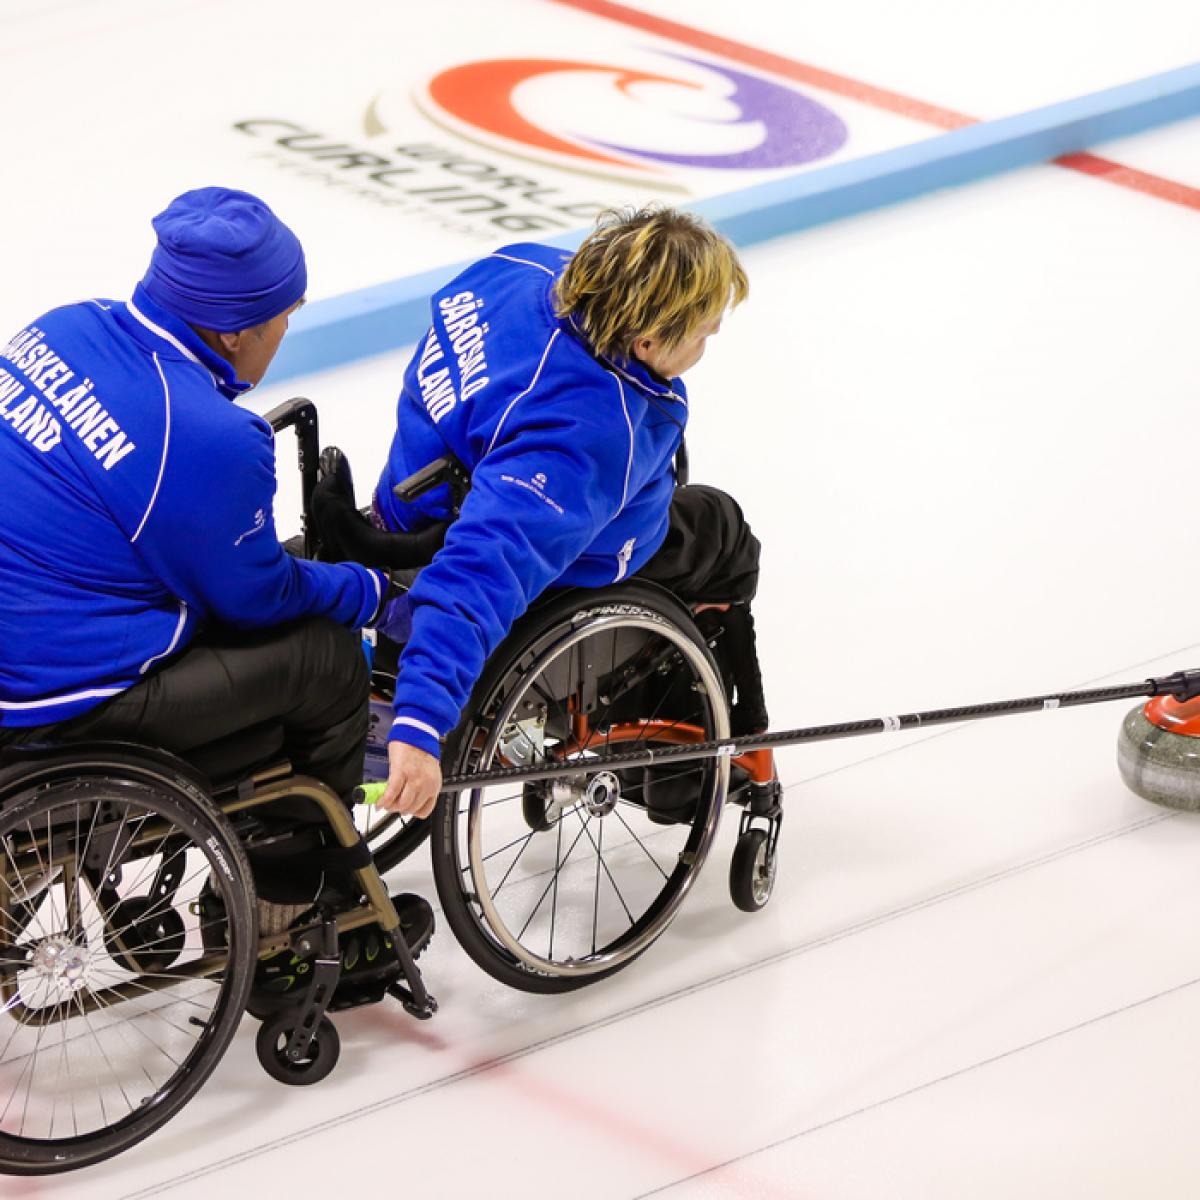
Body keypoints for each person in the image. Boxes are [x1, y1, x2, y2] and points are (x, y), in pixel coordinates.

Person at [0, 186, 431, 951]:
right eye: (285, 317)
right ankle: (284, 916)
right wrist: (366, 590)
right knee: (324, 660)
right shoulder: (206, 435)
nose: (287, 333)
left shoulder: (64, 327)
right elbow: (256, 601)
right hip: (56, 698)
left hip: (30, 627)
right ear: (236, 333)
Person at [316, 205, 768, 820]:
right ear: (646, 341)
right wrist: (419, 725)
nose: (709, 339)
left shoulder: (512, 270)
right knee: (722, 531)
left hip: (411, 505)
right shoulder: (585, 436)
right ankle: (681, 770)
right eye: (702, 332)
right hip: (522, 558)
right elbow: (480, 572)